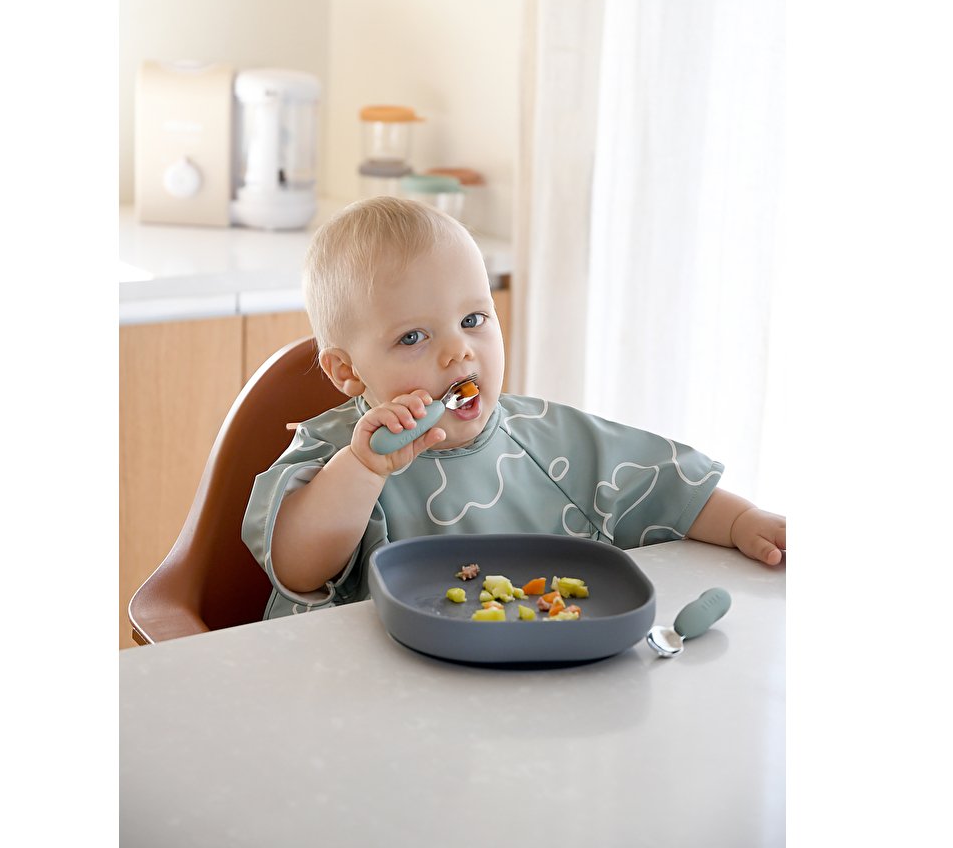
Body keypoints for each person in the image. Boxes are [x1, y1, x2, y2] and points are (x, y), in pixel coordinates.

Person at [242, 196, 786, 617]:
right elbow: (299, 569)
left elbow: (666, 489)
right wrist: (362, 470)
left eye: (473, 320)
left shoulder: (548, 438)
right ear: (346, 370)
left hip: (528, 676)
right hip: (372, 692)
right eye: (413, 338)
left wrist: (742, 521)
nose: (458, 350)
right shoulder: (332, 453)